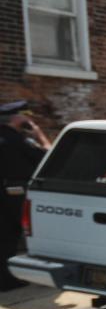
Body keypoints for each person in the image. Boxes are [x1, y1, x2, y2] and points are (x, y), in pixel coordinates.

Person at [0, 100, 51, 291]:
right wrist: (39, 135)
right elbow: (48, 155)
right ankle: (7, 280)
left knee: (3, 235)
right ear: (16, 118)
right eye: (25, 115)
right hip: (14, 192)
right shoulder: (19, 140)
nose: (29, 118)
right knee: (13, 235)